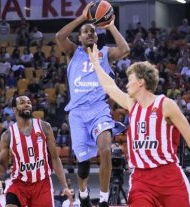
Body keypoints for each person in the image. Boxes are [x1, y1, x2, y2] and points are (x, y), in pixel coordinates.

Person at [87, 44, 190, 207]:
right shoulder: (131, 104)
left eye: (130, 80)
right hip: (141, 179)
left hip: (168, 176)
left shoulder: (166, 104)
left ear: (140, 83)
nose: (126, 85)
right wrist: (95, 63)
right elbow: (109, 87)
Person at [55, 2, 130, 207]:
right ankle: (84, 193)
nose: (89, 34)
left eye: (92, 31)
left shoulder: (106, 54)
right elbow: (59, 37)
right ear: (79, 37)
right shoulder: (72, 52)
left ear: (97, 36)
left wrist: (111, 26)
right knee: (84, 165)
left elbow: (125, 49)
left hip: (99, 109)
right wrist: (82, 18)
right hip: (78, 114)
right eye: (85, 32)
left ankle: (104, 200)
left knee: (105, 149)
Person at [0, 96, 72, 207]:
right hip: (19, 184)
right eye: (22, 102)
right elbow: (1, 171)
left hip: (42, 184)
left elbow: (55, 158)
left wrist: (65, 186)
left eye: (29, 102)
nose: (27, 104)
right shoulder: (7, 135)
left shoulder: (44, 127)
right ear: (14, 109)